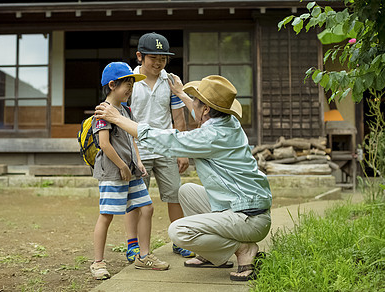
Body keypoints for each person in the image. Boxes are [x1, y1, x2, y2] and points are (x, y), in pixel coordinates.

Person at [95, 74, 272, 282]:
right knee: (186, 191)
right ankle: (213, 254)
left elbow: (168, 140)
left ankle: (243, 249)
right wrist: (180, 93)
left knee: (179, 231)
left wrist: (117, 118)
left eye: (195, 101)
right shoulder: (228, 122)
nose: (192, 104)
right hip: (243, 205)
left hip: (249, 218)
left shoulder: (212, 136)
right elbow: (199, 112)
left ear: (205, 109)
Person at [90, 62, 169, 280]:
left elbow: (132, 138)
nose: (131, 90)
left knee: (147, 208)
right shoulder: (102, 111)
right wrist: (122, 166)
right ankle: (97, 263)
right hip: (113, 173)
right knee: (106, 216)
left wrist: (138, 161)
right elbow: (105, 144)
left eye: (132, 86)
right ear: (112, 85)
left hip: (132, 171)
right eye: (128, 85)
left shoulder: (126, 110)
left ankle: (143, 256)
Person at [124, 32, 194, 261]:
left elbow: (179, 119)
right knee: (136, 200)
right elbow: (124, 120)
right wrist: (132, 154)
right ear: (140, 57)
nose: (158, 62)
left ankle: (180, 241)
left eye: (162, 57)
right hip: (138, 149)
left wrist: (182, 151)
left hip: (166, 148)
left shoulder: (170, 81)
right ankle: (132, 245)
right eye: (153, 57)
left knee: (175, 196)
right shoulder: (129, 81)